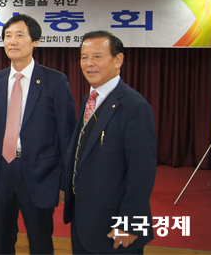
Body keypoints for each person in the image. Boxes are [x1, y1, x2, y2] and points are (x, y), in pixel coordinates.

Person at [0, 14, 76, 254]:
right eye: (8, 36)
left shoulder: (55, 81)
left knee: (40, 242)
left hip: (40, 174)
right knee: (2, 241)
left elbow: (67, 135)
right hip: (1, 171)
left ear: (35, 41)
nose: (12, 41)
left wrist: (64, 182)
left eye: (20, 35)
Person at [64, 31, 156, 254]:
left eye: (97, 56)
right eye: (84, 57)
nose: (89, 63)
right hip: (84, 219)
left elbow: (142, 171)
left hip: (115, 226)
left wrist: (129, 224)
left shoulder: (135, 107)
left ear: (118, 60)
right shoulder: (88, 100)